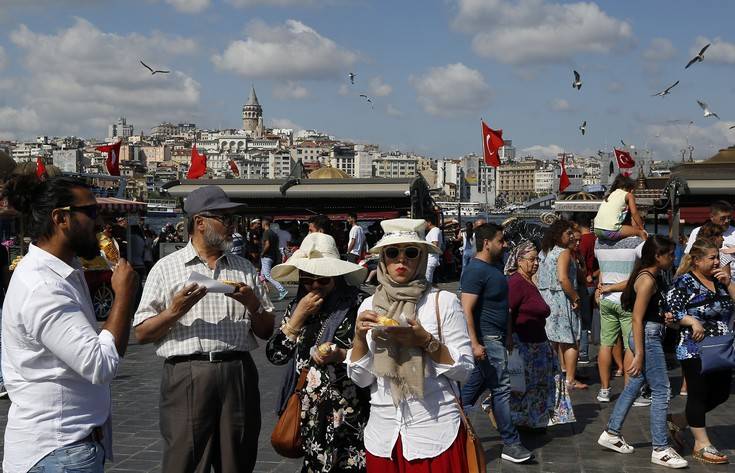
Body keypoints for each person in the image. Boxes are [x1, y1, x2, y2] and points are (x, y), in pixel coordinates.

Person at [133, 186, 276, 473]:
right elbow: (142, 332)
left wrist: (253, 304)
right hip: (187, 372)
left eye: (234, 221)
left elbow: (266, 330)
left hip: (237, 372)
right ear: (200, 222)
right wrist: (174, 312)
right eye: (226, 220)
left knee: (236, 459)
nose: (233, 228)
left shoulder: (244, 268)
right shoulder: (166, 268)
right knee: (184, 459)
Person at [2, 175, 138, 473]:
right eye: (90, 212)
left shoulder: (66, 271)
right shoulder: (44, 286)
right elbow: (100, 365)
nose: (100, 221)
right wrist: (124, 296)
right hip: (57, 449)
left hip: (66, 447)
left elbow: (112, 351)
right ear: (61, 218)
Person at [345, 218, 475, 472]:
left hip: (434, 432)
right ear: (383, 259)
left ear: (422, 257)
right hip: (383, 437)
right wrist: (360, 339)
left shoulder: (443, 302)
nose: (401, 260)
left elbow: (465, 370)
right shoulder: (368, 307)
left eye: (411, 252)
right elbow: (361, 380)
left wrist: (425, 341)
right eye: (392, 252)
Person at [266, 232, 370, 472]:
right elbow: (276, 355)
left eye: (322, 280)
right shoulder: (297, 306)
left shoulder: (357, 304)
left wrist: (340, 354)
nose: (314, 285)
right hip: (310, 413)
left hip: (349, 411)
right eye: (307, 279)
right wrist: (297, 319)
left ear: (336, 277)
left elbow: (370, 357)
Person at [597, 236, 688, 469]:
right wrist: (638, 354)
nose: (672, 258)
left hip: (650, 334)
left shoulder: (649, 276)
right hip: (646, 338)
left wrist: (664, 317)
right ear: (657, 256)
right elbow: (637, 318)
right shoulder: (647, 279)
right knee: (662, 390)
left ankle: (612, 432)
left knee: (634, 385)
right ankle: (660, 448)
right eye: (669, 255)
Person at [459, 223, 534, 463]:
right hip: (487, 339)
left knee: (471, 391)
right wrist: (474, 342)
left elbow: (505, 306)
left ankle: (452, 427)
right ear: (486, 243)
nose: (504, 245)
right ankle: (511, 443)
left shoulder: (496, 267)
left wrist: (509, 334)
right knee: (501, 390)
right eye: (500, 241)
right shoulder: (475, 270)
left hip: (498, 338)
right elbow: (467, 309)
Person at [666, 238, 735, 465]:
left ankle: (678, 420)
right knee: (698, 393)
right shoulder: (684, 281)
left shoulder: (721, 280)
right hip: (695, 347)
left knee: (721, 393)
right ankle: (701, 444)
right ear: (696, 260)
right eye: (712, 258)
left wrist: (730, 283)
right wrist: (691, 321)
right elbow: (669, 312)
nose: (717, 262)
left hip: (723, 346)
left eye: (718, 257)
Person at [505, 241, 575, 429]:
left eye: (537, 259)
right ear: (519, 261)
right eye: (531, 259)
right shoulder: (516, 282)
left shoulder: (530, 281)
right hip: (525, 343)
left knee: (537, 386)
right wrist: (509, 338)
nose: (536, 263)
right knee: (524, 385)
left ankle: (533, 419)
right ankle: (520, 420)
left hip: (538, 343)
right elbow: (508, 311)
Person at [595, 233, 645, 402]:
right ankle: (628, 390)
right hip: (626, 299)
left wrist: (603, 288)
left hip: (606, 299)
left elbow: (602, 271)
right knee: (629, 345)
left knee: (606, 344)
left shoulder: (599, 241)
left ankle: (604, 390)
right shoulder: (637, 242)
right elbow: (635, 277)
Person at [538, 220, 587, 390]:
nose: (572, 236)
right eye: (568, 233)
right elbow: (563, 278)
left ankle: (553, 375)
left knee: (552, 340)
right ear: (559, 236)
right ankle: (570, 379)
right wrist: (575, 298)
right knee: (571, 340)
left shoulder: (545, 252)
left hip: (547, 298)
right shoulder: (563, 253)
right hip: (562, 298)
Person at [574, 215, 599, 363]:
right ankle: (584, 351)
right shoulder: (596, 238)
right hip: (593, 283)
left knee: (581, 321)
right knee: (587, 319)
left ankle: (582, 352)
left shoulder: (582, 243)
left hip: (583, 284)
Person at [593, 174, 648, 241]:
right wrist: (642, 228)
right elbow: (634, 213)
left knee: (633, 230)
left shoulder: (611, 194)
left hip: (597, 230)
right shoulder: (629, 195)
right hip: (610, 230)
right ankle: (647, 250)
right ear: (629, 187)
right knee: (640, 233)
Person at [684, 201, 734, 273]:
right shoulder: (697, 231)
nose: (727, 221)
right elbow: (689, 256)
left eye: (729, 218)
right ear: (712, 217)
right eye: (723, 218)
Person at [261, 217, 289, 301]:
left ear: (265, 224)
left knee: (267, 275)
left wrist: (262, 253)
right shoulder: (274, 233)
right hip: (272, 256)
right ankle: (260, 293)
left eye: (262, 223)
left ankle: (282, 289)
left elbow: (267, 244)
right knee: (261, 275)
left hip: (267, 256)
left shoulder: (266, 232)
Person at [424, 213, 443, 284]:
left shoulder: (434, 230)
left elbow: (435, 243)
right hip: (431, 258)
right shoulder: (435, 230)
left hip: (431, 259)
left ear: (429, 223)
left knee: (428, 280)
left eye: (425, 223)